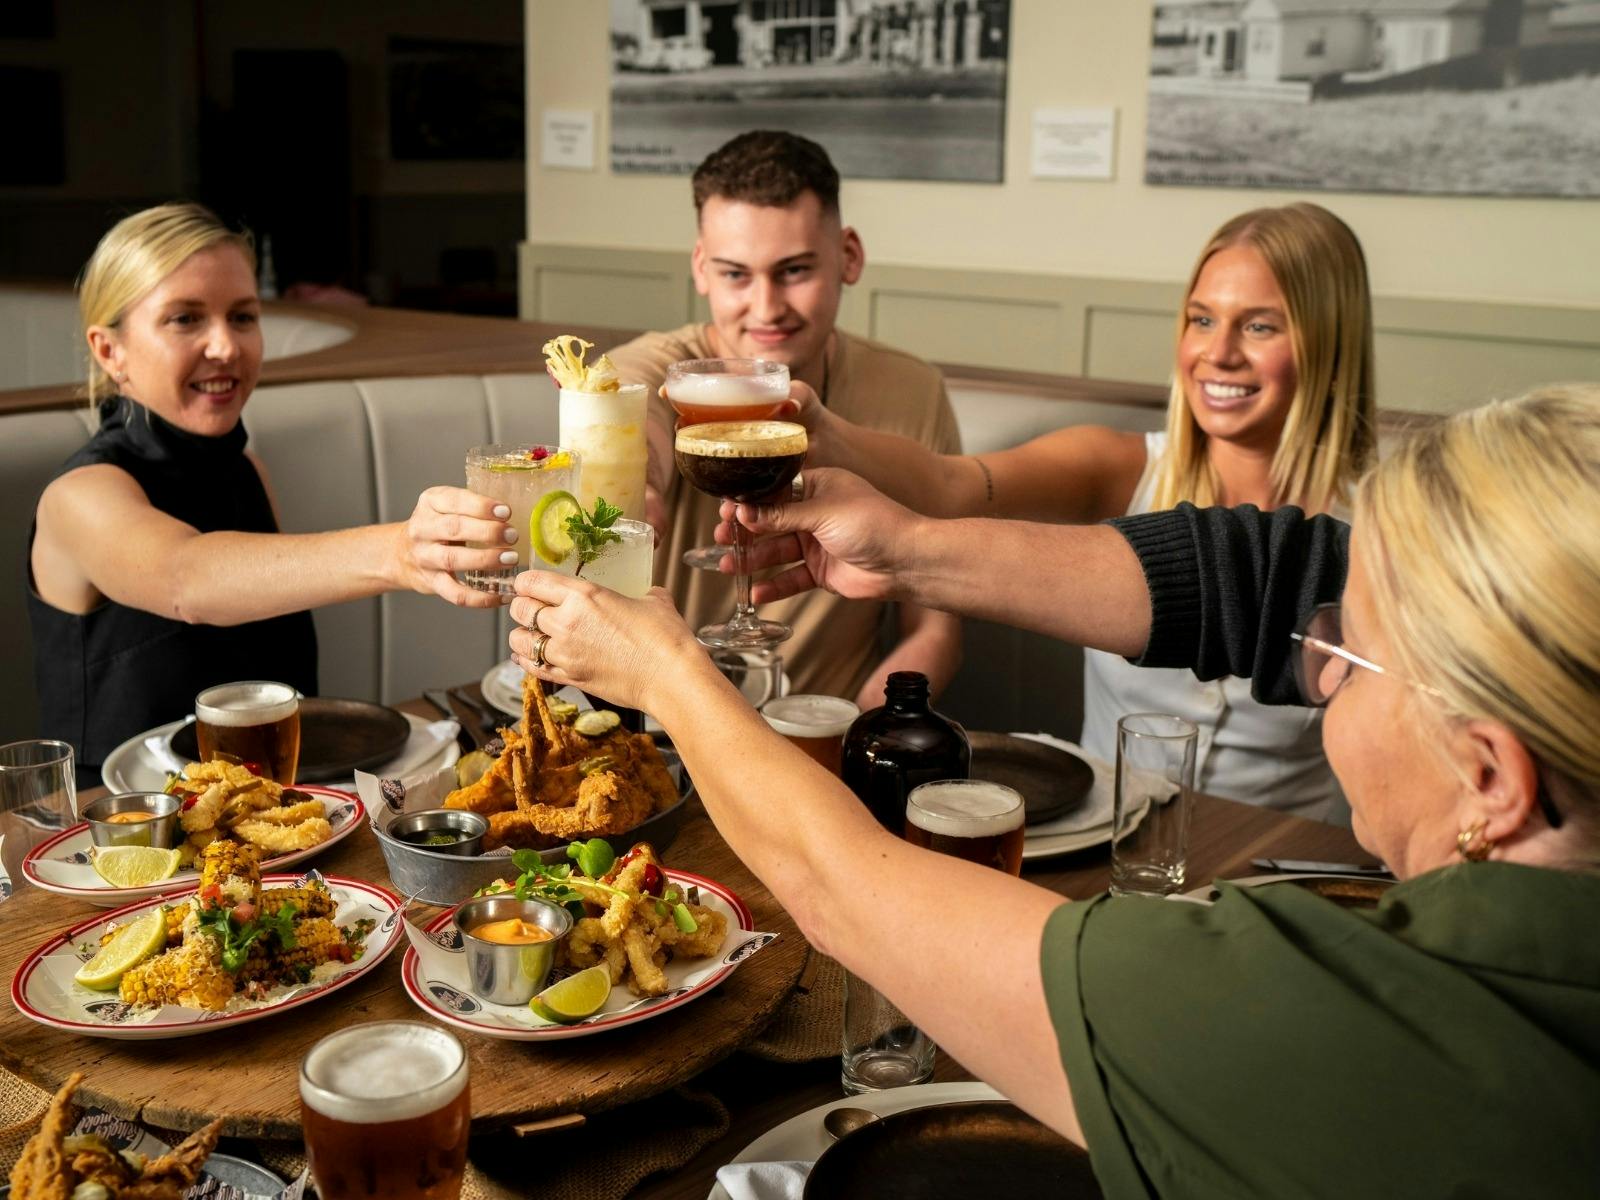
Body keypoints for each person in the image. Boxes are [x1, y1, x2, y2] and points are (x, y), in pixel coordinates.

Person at [505, 385, 1600, 1196]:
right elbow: (1267, 581)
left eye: (1338, 654)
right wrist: (916, 552)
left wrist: (669, 676)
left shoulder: (1342, 1027)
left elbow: (846, 891)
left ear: (1490, 778)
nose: (1309, 664)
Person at [768, 203, 1375, 821]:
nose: (1218, 353)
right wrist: (827, 432)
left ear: (1330, 342)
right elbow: (948, 485)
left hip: (1283, 859)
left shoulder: (1380, 532)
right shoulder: (1115, 467)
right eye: (1202, 319)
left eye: (1260, 327)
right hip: (1106, 839)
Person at [28, 203, 515, 783]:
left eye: (242, 317)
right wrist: (401, 552)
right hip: (129, 842)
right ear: (111, 351)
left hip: (275, 821)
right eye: (185, 319)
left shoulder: (246, 471)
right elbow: (186, 580)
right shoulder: (80, 493)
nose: (226, 347)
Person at [604, 130, 962, 709]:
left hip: (826, 731)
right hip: (666, 730)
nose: (767, 308)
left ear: (849, 256)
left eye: (794, 271)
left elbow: (934, 627)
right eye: (735, 275)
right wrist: (636, 481)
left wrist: (865, 734)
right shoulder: (664, 368)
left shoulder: (913, 391)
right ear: (701, 267)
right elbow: (631, 402)